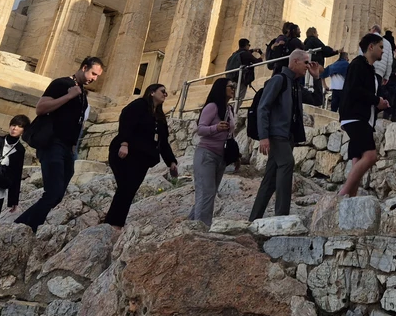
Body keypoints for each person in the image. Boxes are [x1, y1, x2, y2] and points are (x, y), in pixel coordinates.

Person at [16, 57, 103, 232]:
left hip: (66, 148)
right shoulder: (62, 84)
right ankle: (24, 226)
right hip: (52, 144)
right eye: (93, 73)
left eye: (97, 76)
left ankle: (25, 224)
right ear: (84, 67)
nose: (94, 78)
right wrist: (68, 96)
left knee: (57, 194)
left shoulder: (82, 94)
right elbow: (40, 108)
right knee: (53, 192)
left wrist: (72, 147)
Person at [249, 49, 324, 220]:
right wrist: (263, 137)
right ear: (295, 62)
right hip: (276, 135)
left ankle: (254, 219)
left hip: (287, 136)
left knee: (270, 180)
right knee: (287, 163)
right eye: (306, 62)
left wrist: (316, 77)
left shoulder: (296, 85)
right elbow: (263, 107)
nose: (308, 65)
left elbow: (317, 100)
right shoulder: (278, 80)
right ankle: (281, 216)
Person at [104, 83, 178, 227]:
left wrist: (171, 162)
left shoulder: (159, 116)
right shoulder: (139, 105)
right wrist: (124, 143)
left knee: (129, 190)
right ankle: (114, 223)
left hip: (142, 159)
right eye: (162, 91)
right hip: (124, 154)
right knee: (126, 188)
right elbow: (126, 121)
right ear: (151, 92)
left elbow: (163, 142)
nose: (165, 94)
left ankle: (114, 223)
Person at [338, 34, 391, 197]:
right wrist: (376, 100)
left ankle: (350, 200)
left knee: (357, 159)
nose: (383, 51)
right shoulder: (358, 64)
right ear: (371, 47)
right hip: (355, 117)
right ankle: (342, 195)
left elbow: (365, 95)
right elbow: (355, 90)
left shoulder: (369, 68)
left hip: (363, 117)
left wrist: (380, 104)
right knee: (370, 156)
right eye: (381, 47)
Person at [190, 78, 237, 229]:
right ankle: (202, 228)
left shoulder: (229, 109)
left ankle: (192, 225)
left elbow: (229, 135)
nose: (233, 88)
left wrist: (235, 155)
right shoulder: (212, 107)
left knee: (209, 193)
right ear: (222, 88)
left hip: (221, 156)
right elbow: (200, 129)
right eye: (231, 86)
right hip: (207, 154)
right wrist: (215, 128)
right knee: (207, 192)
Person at [225, 38, 262, 106]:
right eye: (249, 45)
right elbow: (257, 61)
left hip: (232, 80)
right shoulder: (246, 54)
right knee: (238, 100)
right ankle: (232, 114)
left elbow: (244, 54)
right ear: (246, 45)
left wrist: (253, 50)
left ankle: (230, 113)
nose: (249, 46)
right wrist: (262, 56)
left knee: (233, 100)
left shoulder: (234, 54)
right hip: (241, 81)